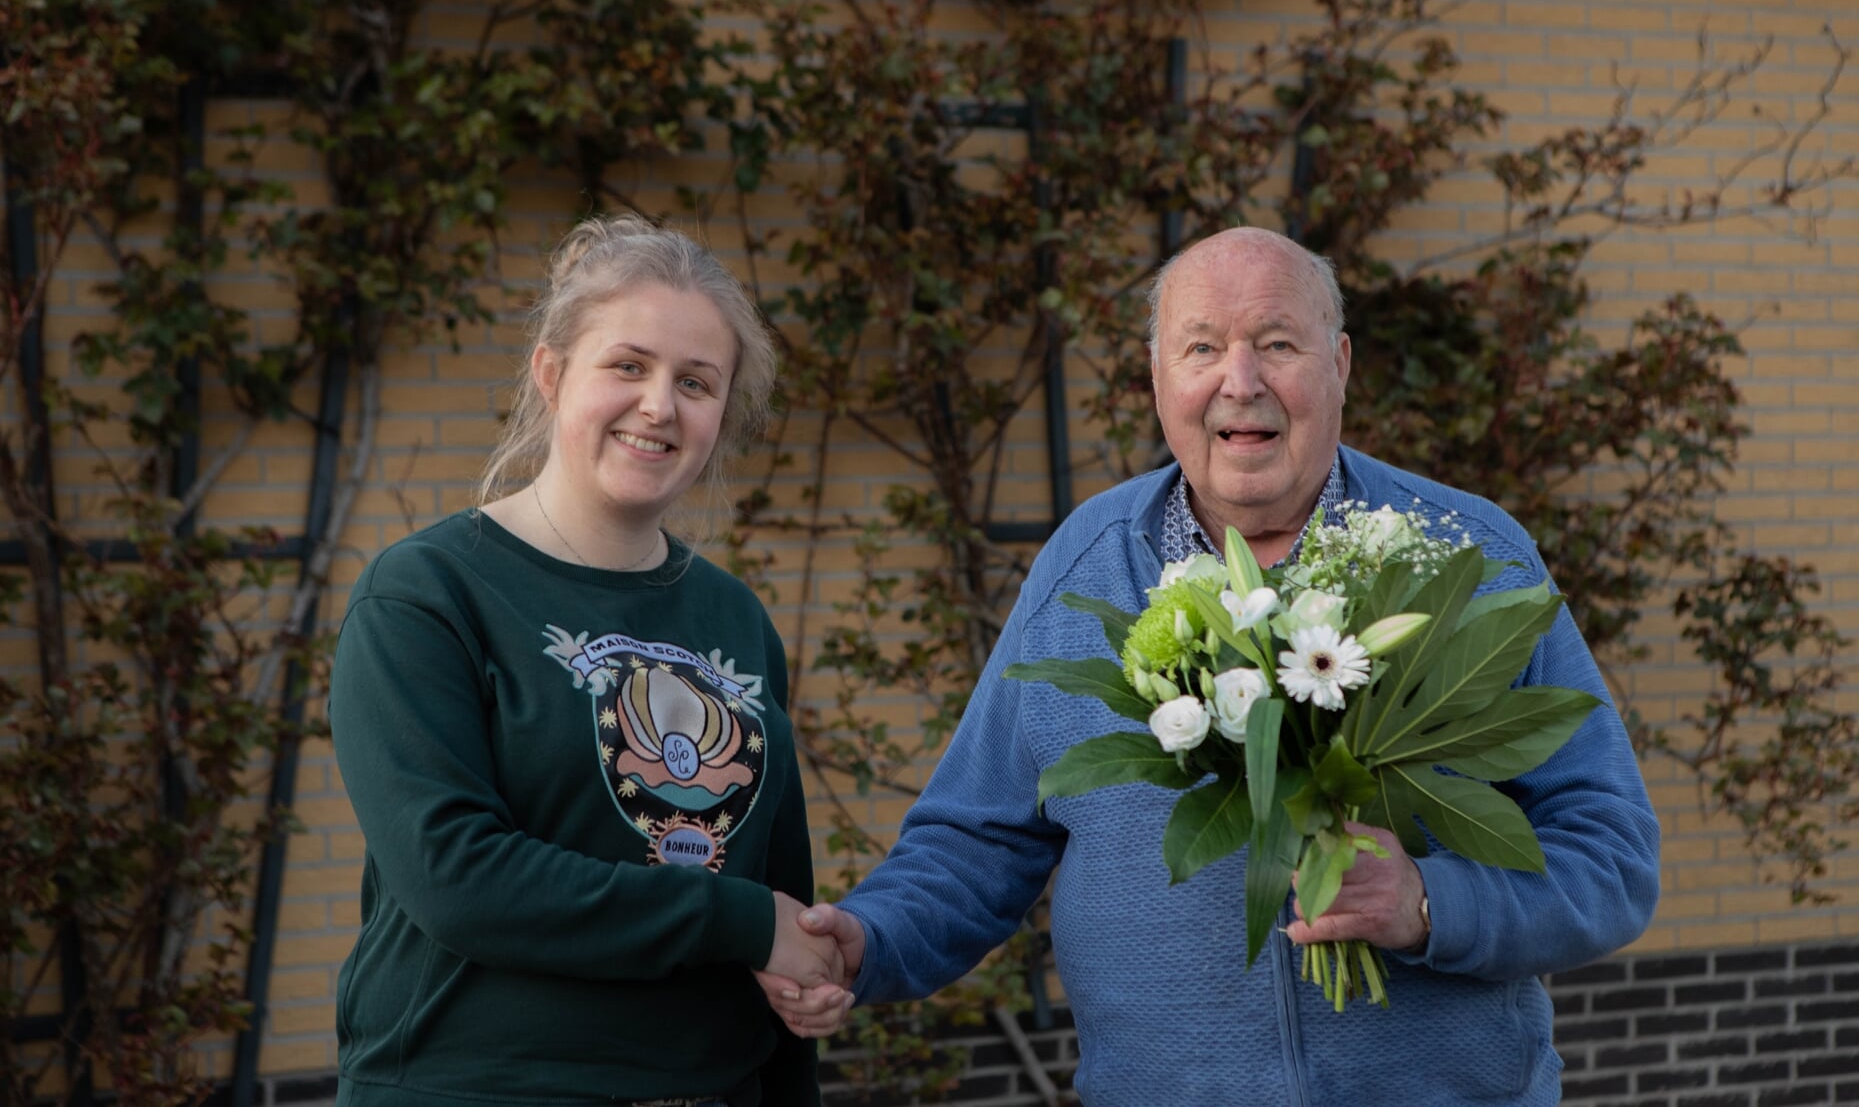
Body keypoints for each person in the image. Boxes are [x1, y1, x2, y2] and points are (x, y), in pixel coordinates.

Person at [756, 226, 1660, 1104]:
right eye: (1202, 348)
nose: (1241, 382)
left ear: (1339, 365)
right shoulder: (1087, 571)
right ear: (1159, 380)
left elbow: (1610, 856)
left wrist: (1429, 903)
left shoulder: (1469, 555)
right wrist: (865, 942)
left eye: (1277, 343)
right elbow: (978, 838)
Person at [330, 215, 839, 1107]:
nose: (659, 406)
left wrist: (794, 978)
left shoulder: (733, 616)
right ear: (553, 373)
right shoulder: (425, 594)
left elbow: (777, 888)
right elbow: (457, 878)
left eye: (696, 382)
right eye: (628, 366)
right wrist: (741, 922)